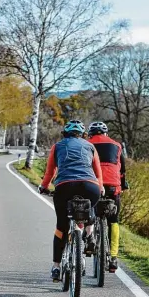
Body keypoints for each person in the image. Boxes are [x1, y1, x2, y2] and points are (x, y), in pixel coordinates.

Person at [38, 120, 104, 282]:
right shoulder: (90, 146)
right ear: (82, 134)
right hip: (90, 186)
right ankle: (89, 233)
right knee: (89, 210)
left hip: (64, 186)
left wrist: (43, 186)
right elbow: (98, 172)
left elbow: (50, 172)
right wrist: (100, 188)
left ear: (65, 134)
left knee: (61, 226)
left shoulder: (57, 146)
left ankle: (56, 266)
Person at [87, 121, 128, 272]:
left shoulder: (87, 144)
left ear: (91, 134)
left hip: (93, 184)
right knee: (114, 220)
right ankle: (114, 257)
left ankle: (89, 237)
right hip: (112, 187)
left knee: (88, 208)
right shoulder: (117, 145)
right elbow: (122, 170)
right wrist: (122, 185)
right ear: (105, 133)